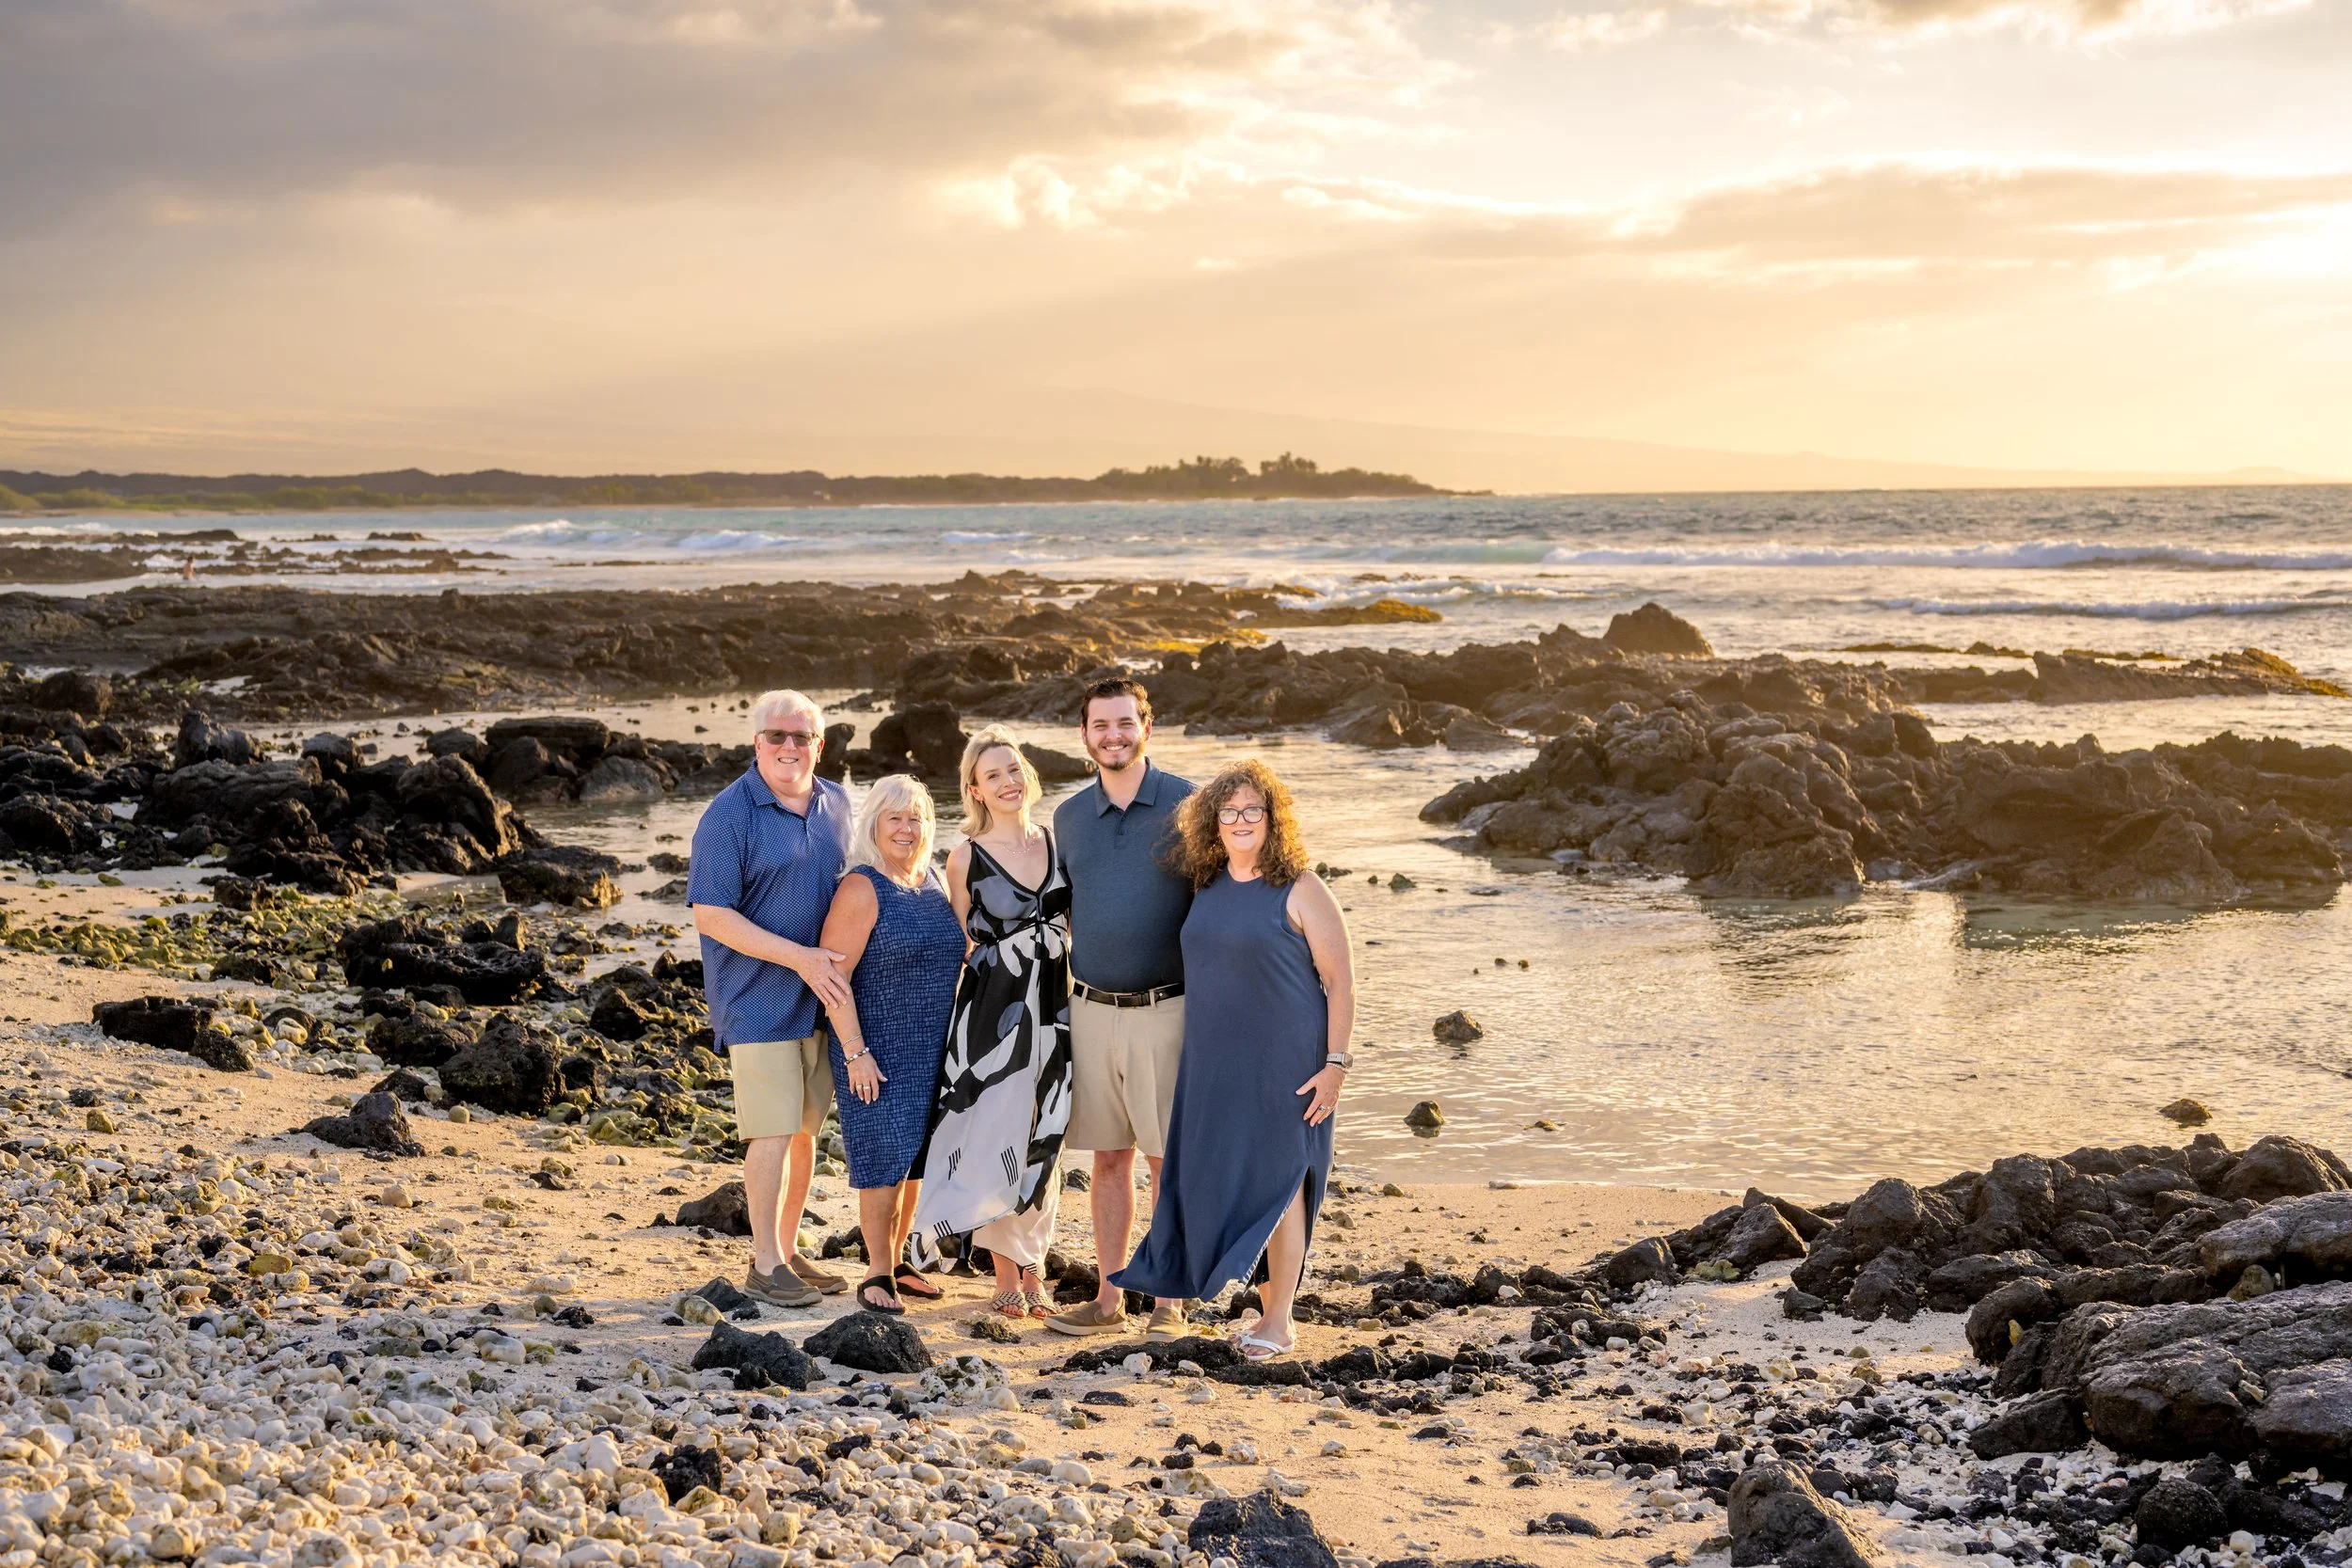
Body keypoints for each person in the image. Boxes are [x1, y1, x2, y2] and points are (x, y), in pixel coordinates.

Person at [1111, 759, 1356, 1362]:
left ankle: (1280, 1321)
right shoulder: (1207, 884)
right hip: (1215, 1062)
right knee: (1229, 1178)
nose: (1242, 820)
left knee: (1280, 1185)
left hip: (1288, 1063)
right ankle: (1248, 1300)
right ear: (1214, 821)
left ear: (1274, 820)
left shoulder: (1301, 887)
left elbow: (1341, 983)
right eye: (1230, 811)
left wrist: (1337, 1065)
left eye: (1254, 810)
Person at [688, 689, 855, 1309]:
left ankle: (785, 1249)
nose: (790, 747)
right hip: (757, 1000)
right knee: (773, 1131)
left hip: (821, 1000)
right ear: (757, 742)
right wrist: (801, 958)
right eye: (777, 736)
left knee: (806, 1132)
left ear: (819, 743)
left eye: (802, 737)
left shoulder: (838, 801)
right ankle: (762, 1264)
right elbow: (711, 915)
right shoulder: (729, 816)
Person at [1047, 677, 1197, 1340]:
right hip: (1091, 1011)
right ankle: (1109, 1300)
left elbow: (1222, 903)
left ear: (1147, 726)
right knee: (1109, 1159)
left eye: (1125, 722)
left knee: (1167, 1161)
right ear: (1085, 735)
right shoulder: (1070, 817)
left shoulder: (1189, 804)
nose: (1113, 735)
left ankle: (1168, 1301)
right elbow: (1064, 911)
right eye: (1100, 725)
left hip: (1167, 1010)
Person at [915, 725, 1073, 1322]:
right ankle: (1004, 1269)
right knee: (996, 1133)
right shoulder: (965, 859)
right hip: (994, 1014)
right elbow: (956, 947)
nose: (1007, 782)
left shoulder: (1059, 841)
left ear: (1028, 776)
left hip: (1056, 1008)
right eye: (992, 776)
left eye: (1014, 770)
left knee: (1046, 1129)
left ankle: (1033, 1261)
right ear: (975, 791)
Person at [812, 774, 965, 1315]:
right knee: (882, 1159)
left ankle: (900, 1261)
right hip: (876, 1048)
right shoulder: (861, 886)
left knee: (916, 1159)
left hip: (934, 1048)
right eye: (894, 817)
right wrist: (855, 1052)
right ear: (874, 823)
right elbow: (832, 979)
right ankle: (876, 1272)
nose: (907, 828)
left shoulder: (931, 882)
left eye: (916, 817)